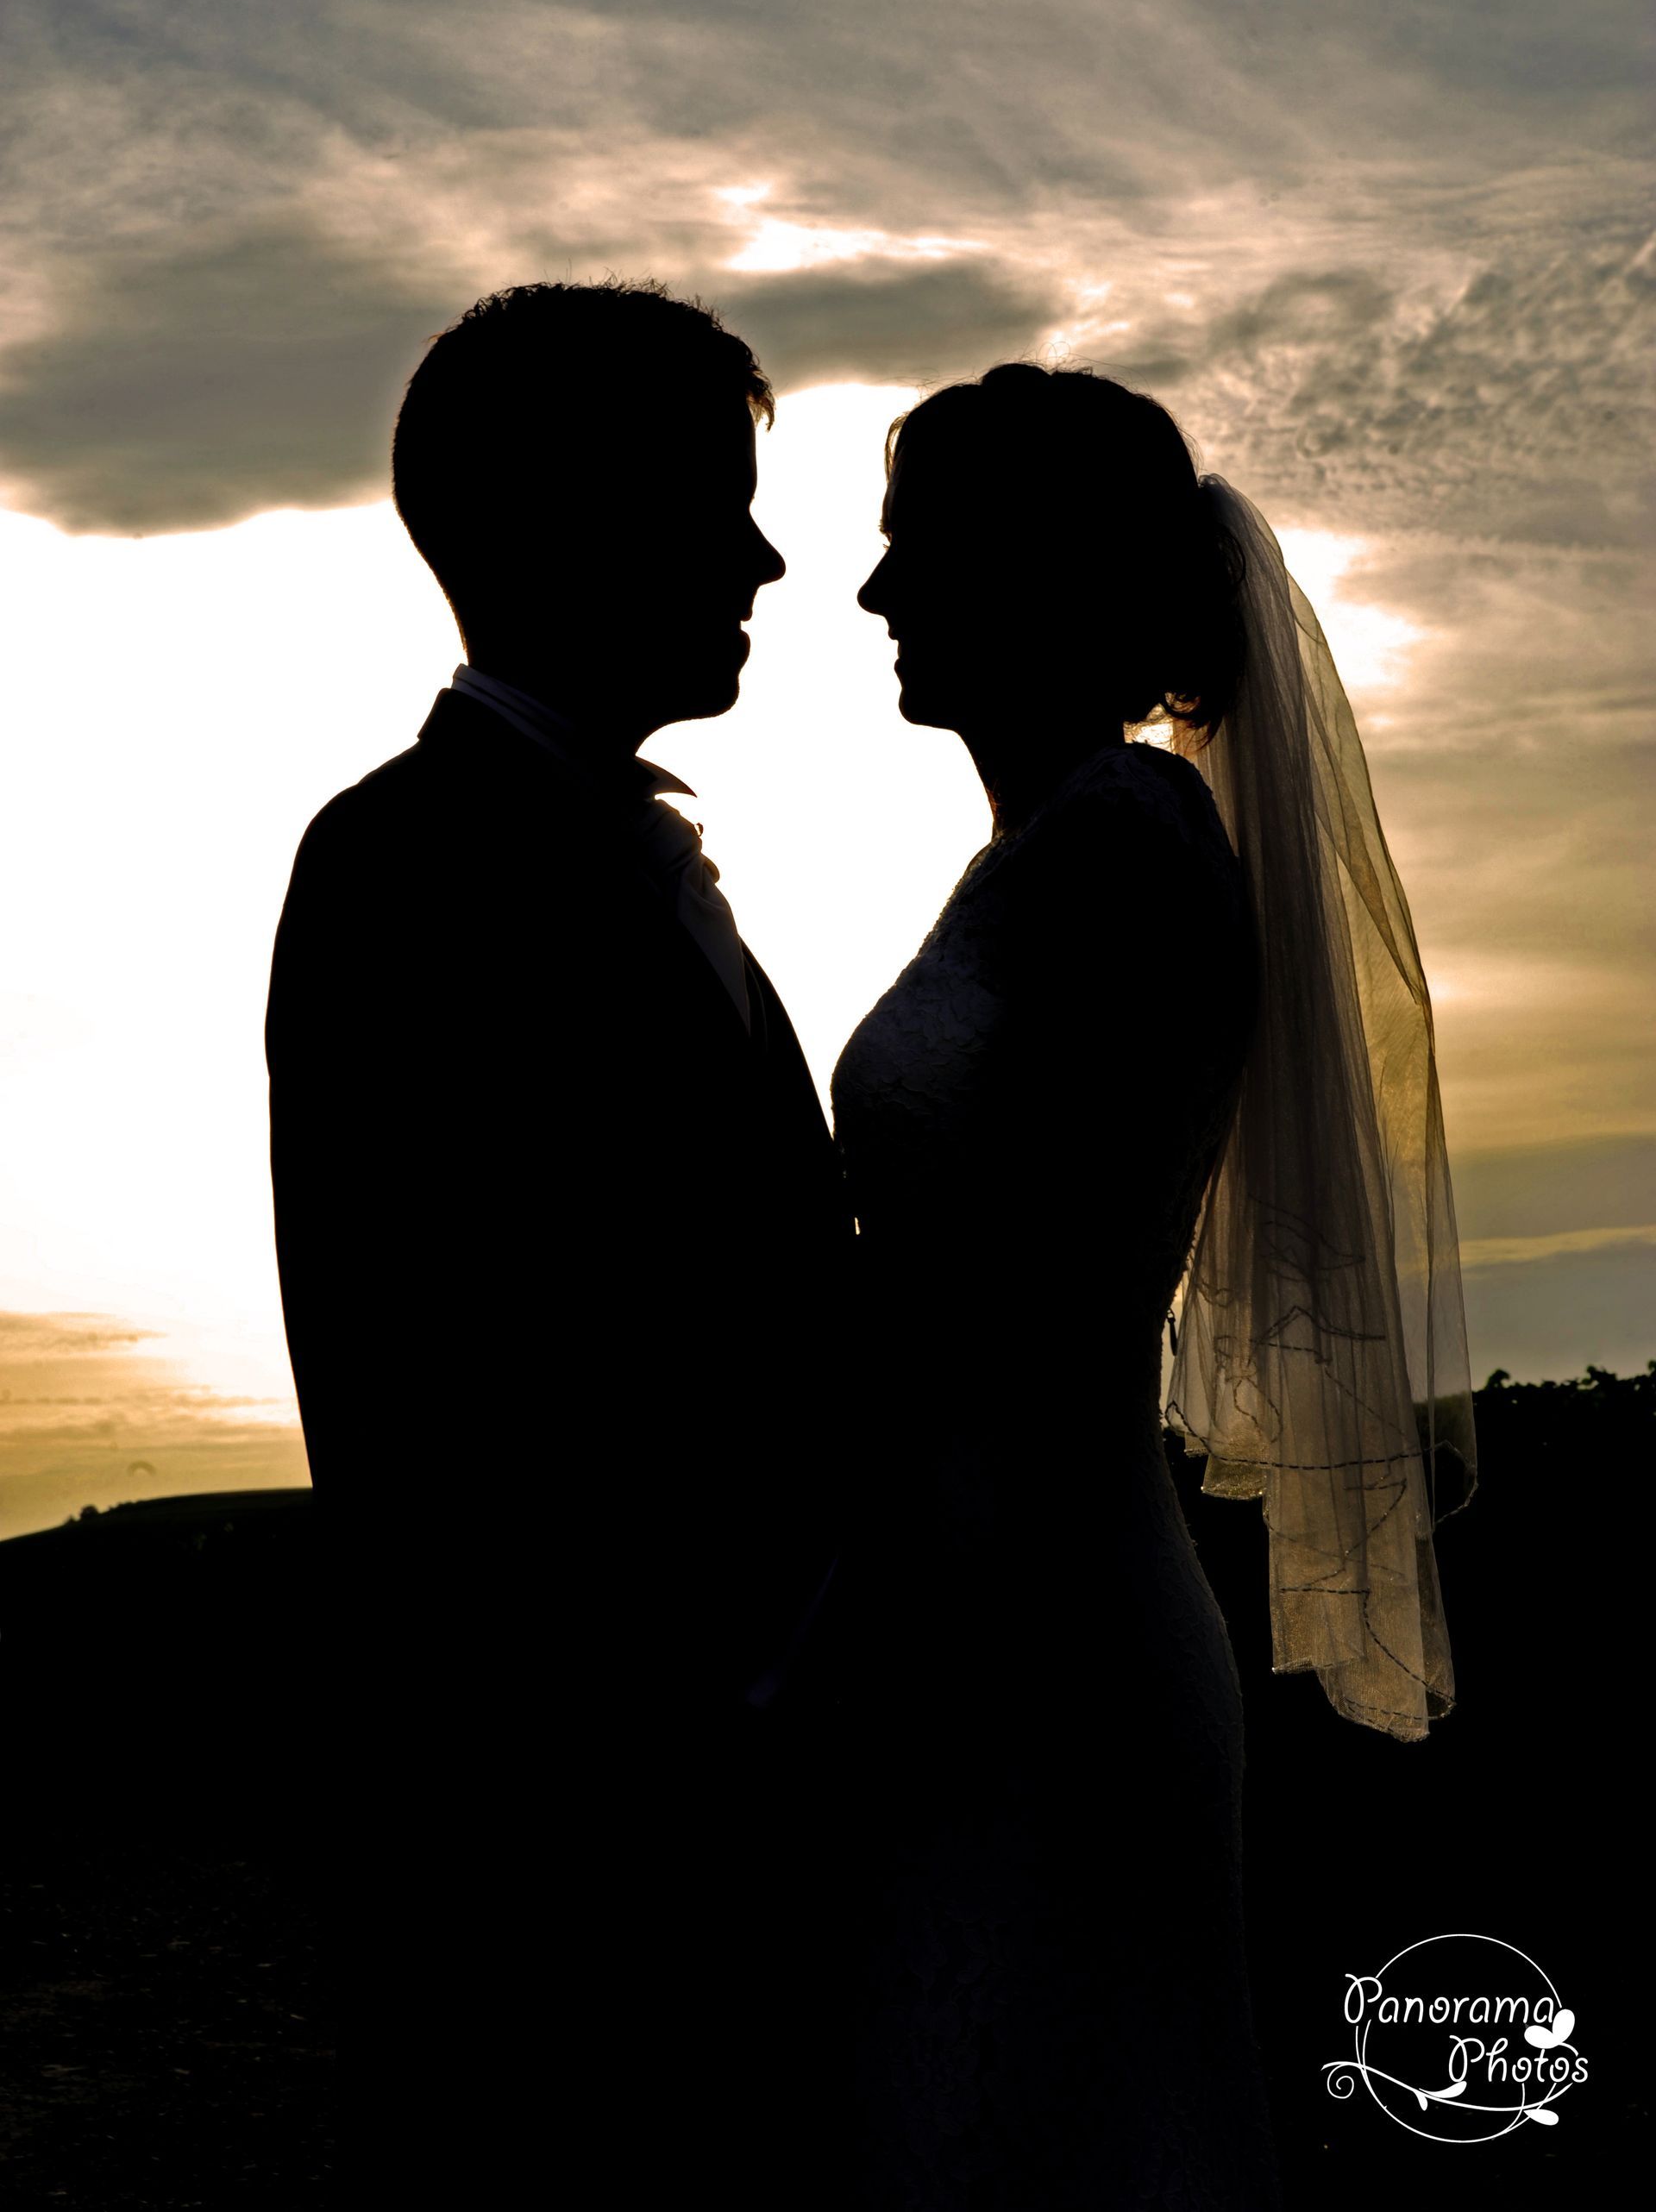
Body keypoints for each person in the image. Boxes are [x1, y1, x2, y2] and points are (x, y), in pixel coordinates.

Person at [819, 360, 1475, 2206]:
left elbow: (1004, 1316)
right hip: (994, 1603)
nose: (874, 597)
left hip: (1030, 1632)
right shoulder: (1053, 853)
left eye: (913, 551)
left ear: (1034, 575)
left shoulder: (1119, 855)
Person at [264, 279, 852, 2199]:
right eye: (714, 499)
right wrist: (713, 1753)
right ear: (560, 521)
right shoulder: (406, 868)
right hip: (577, 1880)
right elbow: (435, 1414)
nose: (765, 555)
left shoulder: (632, 852)